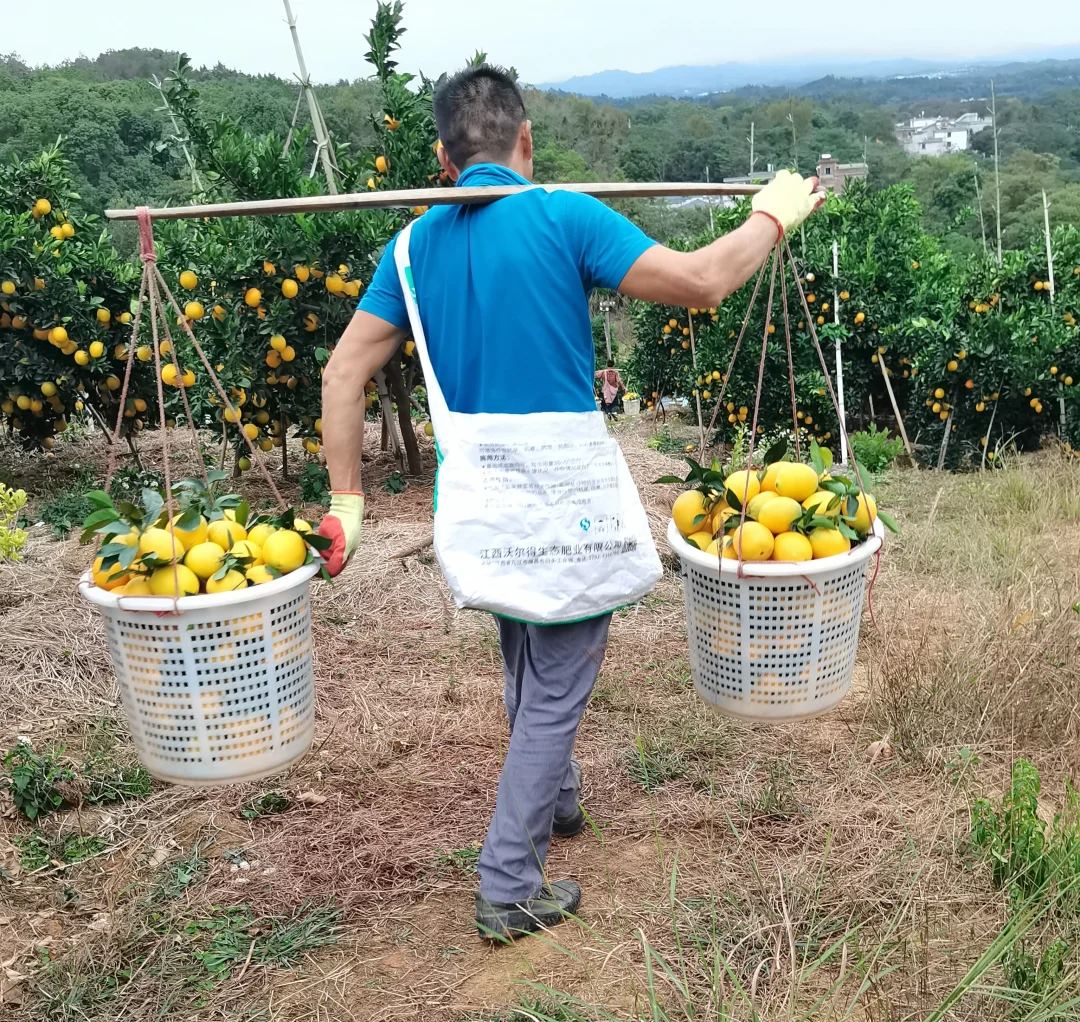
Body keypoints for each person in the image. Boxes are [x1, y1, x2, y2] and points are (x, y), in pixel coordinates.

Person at [319, 64, 822, 942]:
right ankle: (509, 882)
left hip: (484, 502)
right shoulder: (563, 214)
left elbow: (343, 373)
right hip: (566, 498)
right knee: (556, 679)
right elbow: (704, 280)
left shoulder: (410, 249)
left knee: (527, 644)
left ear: (443, 159)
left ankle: (558, 803)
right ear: (526, 142)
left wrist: (346, 499)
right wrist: (773, 216)